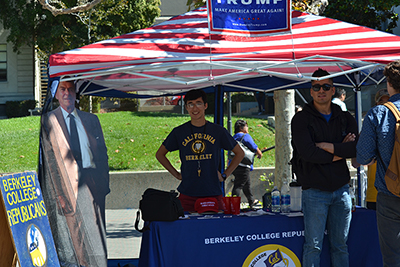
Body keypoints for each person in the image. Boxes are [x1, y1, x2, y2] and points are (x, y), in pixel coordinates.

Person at [291, 68, 358, 267]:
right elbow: (309, 154)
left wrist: (327, 146)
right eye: (317, 87)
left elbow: (356, 148)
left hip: (342, 190)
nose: (321, 90)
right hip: (314, 192)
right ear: (311, 91)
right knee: (313, 246)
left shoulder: (345, 117)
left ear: (333, 90)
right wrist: (341, 151)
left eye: (326, 87)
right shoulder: (300, 119)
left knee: (340, 246)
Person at [40, 80, 110, 267]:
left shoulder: (91, 120)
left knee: (96, 235)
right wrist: (59, 194)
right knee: (74, 236)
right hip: (68, 184)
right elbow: (50, 162)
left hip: (93, 183)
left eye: (71, 89)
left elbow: (102, 153)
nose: (67, 93)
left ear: (76, 93)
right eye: (62, 89)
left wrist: (103, 184)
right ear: (56, 94)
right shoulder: (49, 120)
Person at [156, 89, 245, 212]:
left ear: (205, 106)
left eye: (198, 103)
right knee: (186, 229)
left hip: (212, 192)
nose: (194, 108)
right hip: (187, 194)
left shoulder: (217, 131)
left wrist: (225, 174)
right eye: (190, 104)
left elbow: (240, 153)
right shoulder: (179, 132)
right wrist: (176, 174)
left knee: (215, 229)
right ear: (186, 107)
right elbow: (160, 154)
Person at [356, 60, 400, 267]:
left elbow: (363, 157)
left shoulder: (378, 113)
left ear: (389, 83)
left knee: (392, 256)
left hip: (389, 193)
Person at [365, 88, 390, 210]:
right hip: (374, 194)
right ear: (376, 105)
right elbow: (361, 158)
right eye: (381, 102)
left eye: (388, 101)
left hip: (394, 192)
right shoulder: (370, 125)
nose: (384, 106)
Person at [230, 120, 262, 208]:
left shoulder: (234, 137)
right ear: (241, 127)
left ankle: (251, 201)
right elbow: (253, 146)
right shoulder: (244, 136)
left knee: (246, 184)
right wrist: (259, 153)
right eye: (246, 126)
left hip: (234, 165)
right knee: (239, 185)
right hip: (243, 165)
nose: (247, 128)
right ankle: (234, 205)